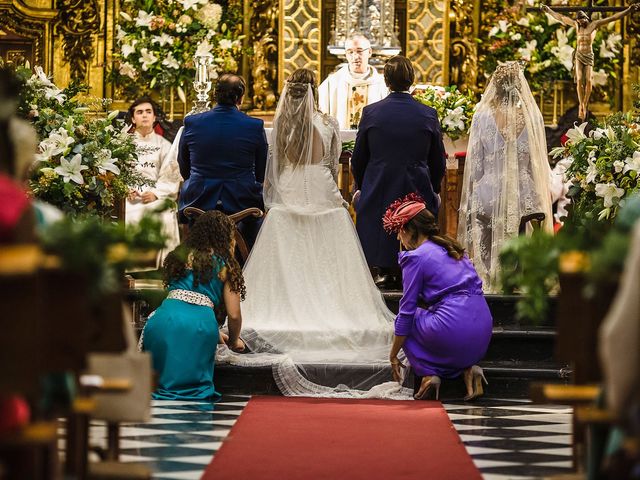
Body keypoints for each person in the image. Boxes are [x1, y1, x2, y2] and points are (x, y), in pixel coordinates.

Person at [225, 68, 402, 398]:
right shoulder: (329, 123)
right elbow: (334, 165)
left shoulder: (281, 126)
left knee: (287, 240)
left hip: (289, 190)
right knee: (329, 250)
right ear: (314, 93)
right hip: (322, 191)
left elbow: (273, 169)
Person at [383, 194, 493, 400]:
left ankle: (428, 374)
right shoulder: (452, 247)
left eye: (399, 232)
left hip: (453, 328)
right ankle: (469, 370)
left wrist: (392, 356)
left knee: (405, 319)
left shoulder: (416, 257)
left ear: (407, 230)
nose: (399, 238)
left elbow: (407, 311)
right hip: (483, 330)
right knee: (434, 319)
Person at [458, 61, 553, 293]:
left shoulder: (482, 117)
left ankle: (490, 276)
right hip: (524, 195)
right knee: (523, 208)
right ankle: (520, 275)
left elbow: (477, 166)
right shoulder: (532, 119)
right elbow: (536, 164)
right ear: (521, 87)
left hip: (489, 193)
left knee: (480, 206)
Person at [351, 56, 446, 288]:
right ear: (411, 80)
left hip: (379, 185)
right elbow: (437, 160)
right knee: (417, 218)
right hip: (416, 186)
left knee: (375, 213)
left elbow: (360, 157)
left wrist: (361, 187)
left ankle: (383, 269)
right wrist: (433, 189)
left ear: (386, 81)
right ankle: (413, 267)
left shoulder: (372, 112)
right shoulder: (427, 114)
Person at [141, 211, 245, 401]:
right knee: (189, 390)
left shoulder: (177, 258)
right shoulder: (226, 265)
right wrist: (233, 341)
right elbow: (234, 315)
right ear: (225, 237)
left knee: (161, 383)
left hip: (162, 323)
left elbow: (183, 304)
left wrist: (215, 332)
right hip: (198, 326)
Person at [177, 74, 268, 250]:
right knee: (252, 224)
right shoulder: (254, 125)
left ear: (214, 95)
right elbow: (261, 171)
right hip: (242, 199)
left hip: (199, 197)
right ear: (241, 97)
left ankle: (196, 260)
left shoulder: (192, 122)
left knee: (194, 227)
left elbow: (184, 165)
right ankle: (243, 263)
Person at [541, 3, 640, 120]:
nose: (580, 22)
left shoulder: (594, 25)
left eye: (581, 20)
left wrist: (628, 10)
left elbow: (613, 17)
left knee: (588, 81)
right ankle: (581, 105)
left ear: (585, 18)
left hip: (588, 55)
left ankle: (585, 103)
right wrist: (548, 11)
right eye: (578, 21)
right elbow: (560, 17)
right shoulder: (576, 25)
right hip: (578, 55)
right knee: (578, 80)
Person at [125, 97, 181, 266]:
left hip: (154, 194)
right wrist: (125, 189)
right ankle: (126, 267)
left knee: (163, 212)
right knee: (126, 213)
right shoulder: (122, 144)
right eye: (139, 112)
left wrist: (156, 194)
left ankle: (164, 267)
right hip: (128, 197)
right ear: (133, 118)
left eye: (148, 112)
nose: (144, 116)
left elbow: (171, 176)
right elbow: (115, 173)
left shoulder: (165, 146)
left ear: (155, 117)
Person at [318, 34, 388, 129]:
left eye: (359, 51)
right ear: (346, 54)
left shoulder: (382, 84)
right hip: (340, 141)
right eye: (350, 52)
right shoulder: (332, 83)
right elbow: (320, 116)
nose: (355, 57)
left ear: (370, 52)